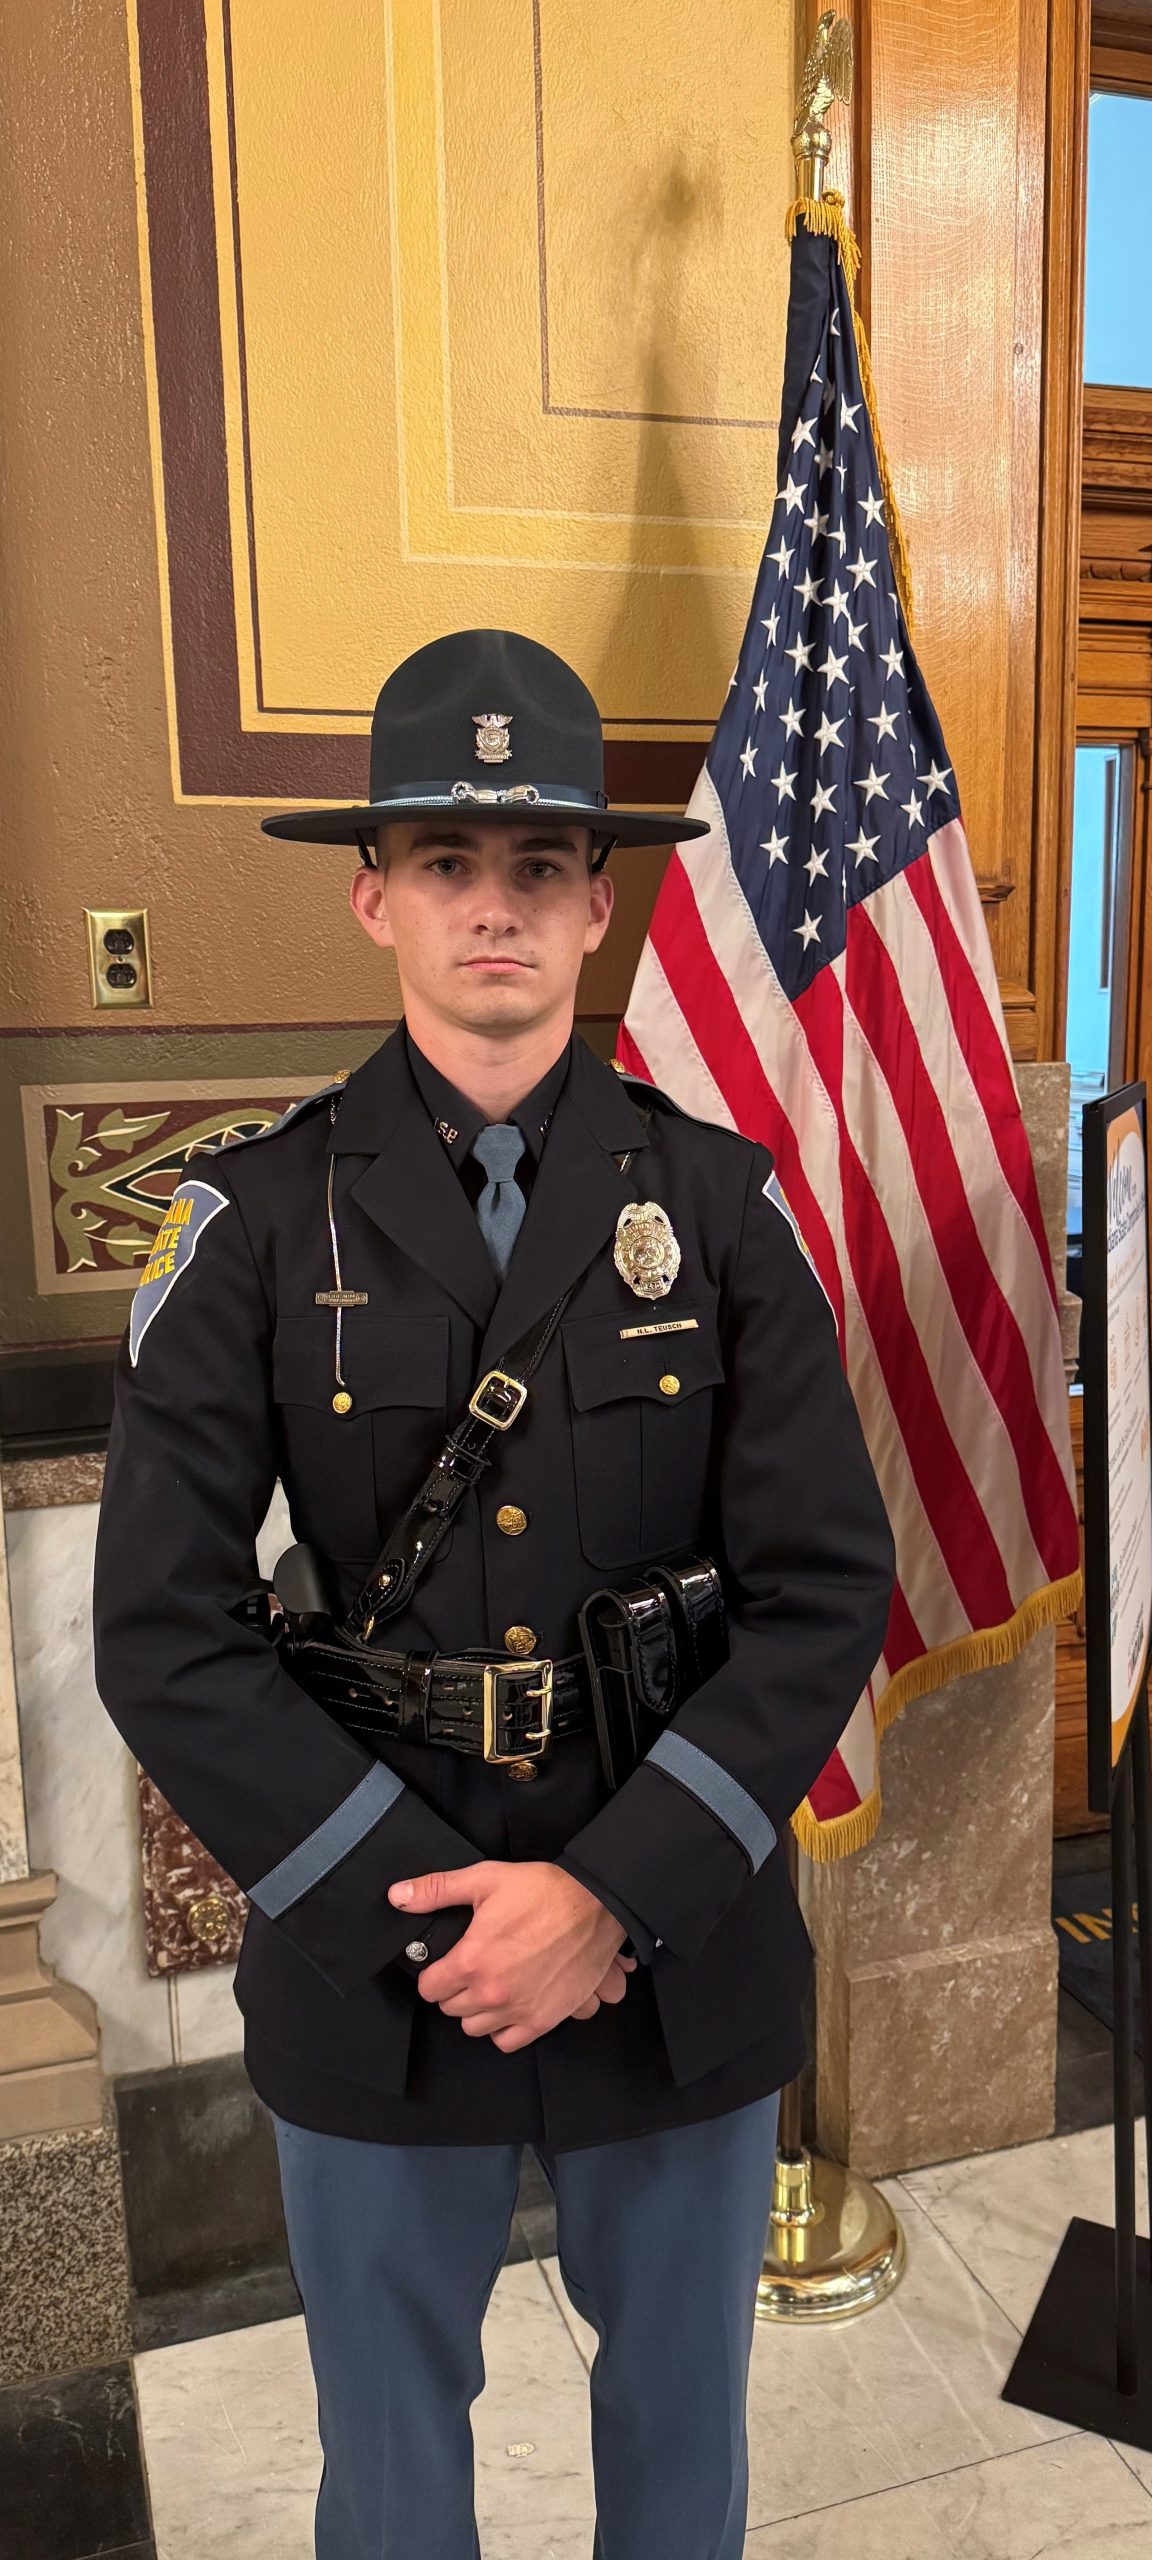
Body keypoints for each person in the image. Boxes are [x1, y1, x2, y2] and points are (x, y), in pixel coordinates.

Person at [93, 628, 894, 2560]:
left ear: (599, 904)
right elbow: (164, 1629)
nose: (494, 905)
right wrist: (440, 1916)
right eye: (446, 860)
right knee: (390, 2483)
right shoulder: (254, 1224)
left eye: (539, 863)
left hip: (672, 1947)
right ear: (373, 894)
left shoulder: (723, 1208)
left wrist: (608, 1896)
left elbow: (823, 1588)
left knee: (682, 2466)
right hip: (383, 1960)